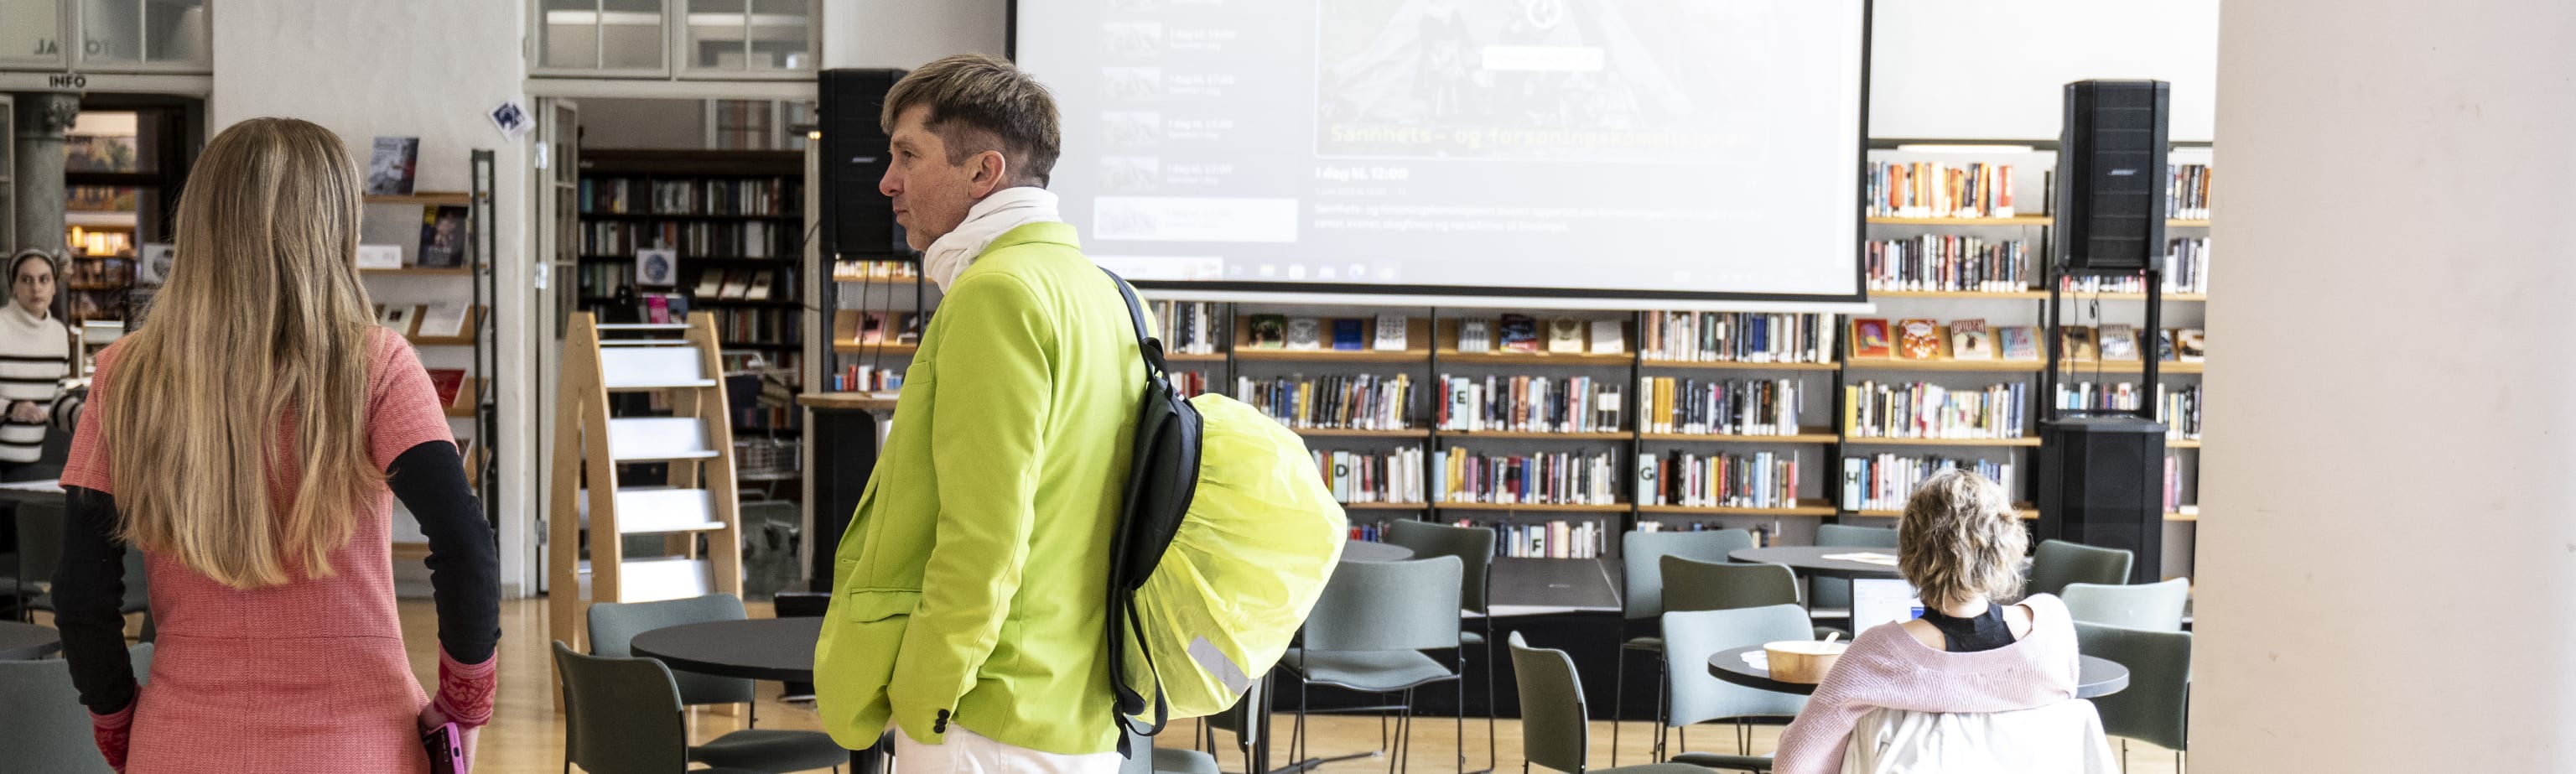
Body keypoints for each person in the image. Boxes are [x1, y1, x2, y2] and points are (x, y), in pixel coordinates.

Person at [49, 117, 500, 773]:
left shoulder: (127, 374)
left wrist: (121, 728)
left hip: (181, 744)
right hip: (360, 747)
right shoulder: (375, 364)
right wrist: (463, 710)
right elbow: (466, 548)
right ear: (334, 230)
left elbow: (82, 593)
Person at [813, 53, 1145, 773]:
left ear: (983, 173)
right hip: (1075, 707)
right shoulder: (1106, 293)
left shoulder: (997, 294)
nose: (886, 181)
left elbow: (984, 536)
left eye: (908, 155)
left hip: (985, 720)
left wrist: (924, 701)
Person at [1768, 469, 2085, 773]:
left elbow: (1793, 764)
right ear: (2005, 545)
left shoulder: (1877, 653)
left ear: (1911, 551)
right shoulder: (2051, 625)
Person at [0, 249, 73, 478]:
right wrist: (12, 409)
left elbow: (55, 399)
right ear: (14, 286)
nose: (36, 288)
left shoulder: (59, 334)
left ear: (54, 287)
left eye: (44, 279)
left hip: (28, 465)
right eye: (26, 280)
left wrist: (85, 416)